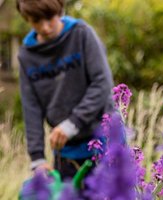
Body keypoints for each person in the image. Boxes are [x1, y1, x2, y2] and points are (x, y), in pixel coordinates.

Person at [16, 0, 114, 179]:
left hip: (105, 138)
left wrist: (73, 123)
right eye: (36, 21)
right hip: (66, 151)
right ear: (27, 19)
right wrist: (37, 157)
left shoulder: (81, 34)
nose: (45, 27)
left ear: (59, 10)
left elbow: (102, 83)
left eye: (49, 18)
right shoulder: (27, 55)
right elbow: (31, 108)